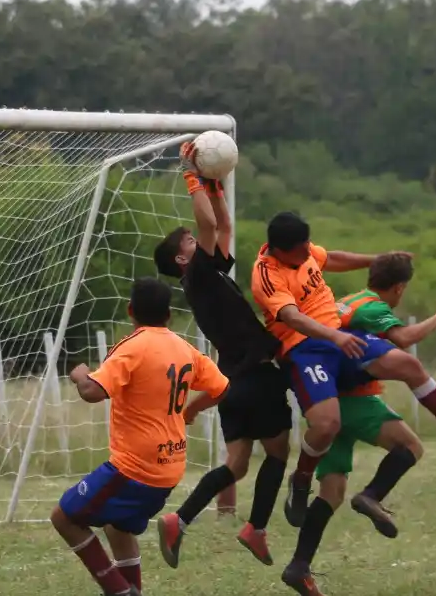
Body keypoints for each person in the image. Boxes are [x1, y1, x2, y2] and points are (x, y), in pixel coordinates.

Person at [250, 211, 436, 596]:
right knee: (328, 427)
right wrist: (337, 336)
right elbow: (291, 317)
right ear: (278, 250)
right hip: (307, 348)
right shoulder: (267, 275)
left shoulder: (308, 255)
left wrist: (375, 259)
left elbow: (332, 258)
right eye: (297, 254)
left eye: (306, 250)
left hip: (335, 341)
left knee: (406, 365)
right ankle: (304, 480)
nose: (305, 257)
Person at [151, 141, 294, 568]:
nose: (199, 239)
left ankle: (178, 520)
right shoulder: (197, 274)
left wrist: (214, 184)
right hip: (256, 375)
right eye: (191, 241)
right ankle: (256, 529)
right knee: (279, 453)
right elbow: (209, 224)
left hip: (233, 380)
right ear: (182, 256)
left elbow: (223, 226)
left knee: (236, 463)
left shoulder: (207, 276)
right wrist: (192, 174)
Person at [51, 276, 231, 596]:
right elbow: (222, 387)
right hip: (171, 466)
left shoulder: (132, 346)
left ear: (130, 310)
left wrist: (80, 374)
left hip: (135, 468)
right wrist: (192, 410)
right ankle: (132, 589)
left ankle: (117, 590)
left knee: (64, 517)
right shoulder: (183, 347)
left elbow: (92, 391)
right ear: (169, 315)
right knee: (117, 526)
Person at [291, 253, 436, 583]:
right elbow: (405, 339)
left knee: (331, 491)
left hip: (327, 401)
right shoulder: (374, 309)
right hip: (357, 401)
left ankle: (299, 565)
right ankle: (371, 495)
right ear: (399, 288)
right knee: (411, 447)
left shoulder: (347, 301)